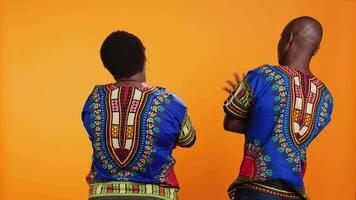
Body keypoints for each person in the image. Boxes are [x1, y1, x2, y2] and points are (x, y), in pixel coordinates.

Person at [223, 16, 333, 200]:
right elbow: (293, 134)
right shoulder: (326, 98)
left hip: (255, 191)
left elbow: (231, 123)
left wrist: (248, 104)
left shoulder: (262, 77)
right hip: (295, 194)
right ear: (317, 49)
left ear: (288, 38)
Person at [81, 31, 196, 200]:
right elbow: (188, 139)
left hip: (102, 195)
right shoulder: (170, 102)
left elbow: (93, 133)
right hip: (156, 196)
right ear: (144, 58)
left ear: (107, 65)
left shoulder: (95, 99)